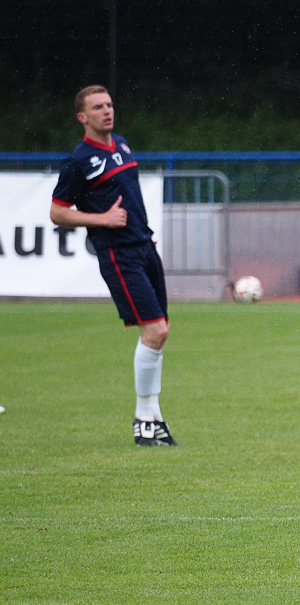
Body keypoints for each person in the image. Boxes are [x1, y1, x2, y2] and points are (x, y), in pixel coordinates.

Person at [50, 85, 178, 447]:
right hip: (119, 254)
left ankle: (155, 418)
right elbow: (57, 212)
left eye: (108, 105)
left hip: (144, 246)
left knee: (160, 331)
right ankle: (143, 419)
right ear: (82, 117)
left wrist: (141, 232)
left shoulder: (121, 145)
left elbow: (130, 197)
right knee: (155, 331)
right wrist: (102, 220)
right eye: (97, 107)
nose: (106, 111)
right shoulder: (79, 161)